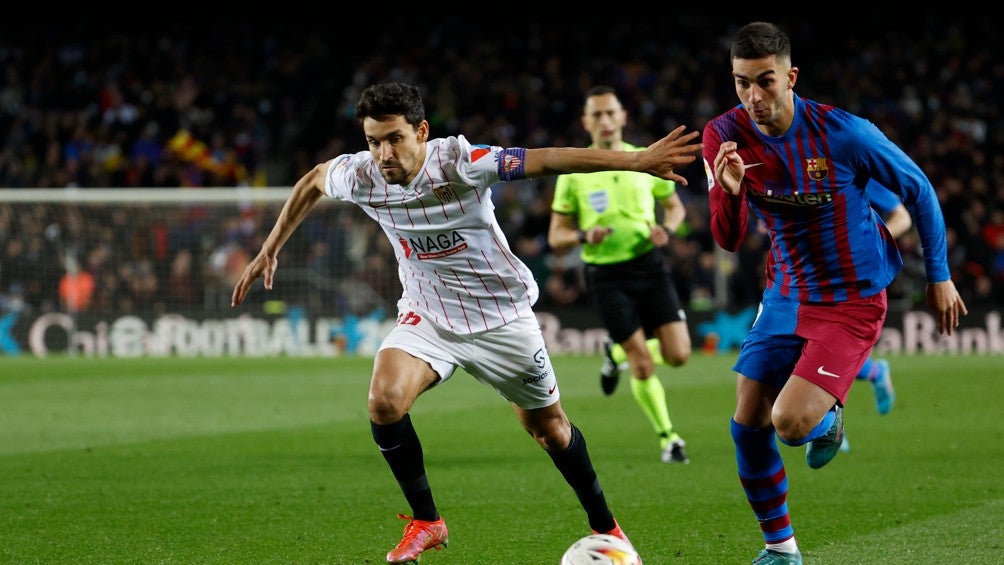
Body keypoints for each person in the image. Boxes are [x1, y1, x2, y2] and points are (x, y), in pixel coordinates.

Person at [230, 82, 701, 564]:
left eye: (394, 138)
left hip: (502, 318)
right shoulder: (361, 175)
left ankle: (608, 528)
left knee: (551, 432)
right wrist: (271, 247)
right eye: (373, 141)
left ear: (422, 131)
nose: (383, 154)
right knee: (384, 400)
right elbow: (311, 180)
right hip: (429, 315)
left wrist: (637, 160)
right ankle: (427, 522)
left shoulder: (462, 161)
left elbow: (551, 159)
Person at [703, 22, 968, 565]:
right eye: (741, 83)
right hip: (785, 292)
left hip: (851, 299)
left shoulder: (844, 133)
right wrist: (729, 194)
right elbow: (727, 240)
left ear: (791, 77)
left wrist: (939, 275)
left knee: (789, 423)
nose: (753, 97)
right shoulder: (723, 138)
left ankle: (828, 417)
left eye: (765, 81)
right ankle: (782, 550)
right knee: (747, 421)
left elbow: (918, 190)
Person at [548, 85, 692, 464]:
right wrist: (582, 234)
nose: (605, 120)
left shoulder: (645, 160)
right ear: (585, 122)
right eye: (597, 114)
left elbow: (675, 208)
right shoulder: (574, 172)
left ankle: (614, 351)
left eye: (611, 112)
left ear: (623, 116)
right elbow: (556, 238)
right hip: (606, 275)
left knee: (679, 355)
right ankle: (670, 438)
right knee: (642, 363)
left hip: (648, 265)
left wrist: (669, 229)